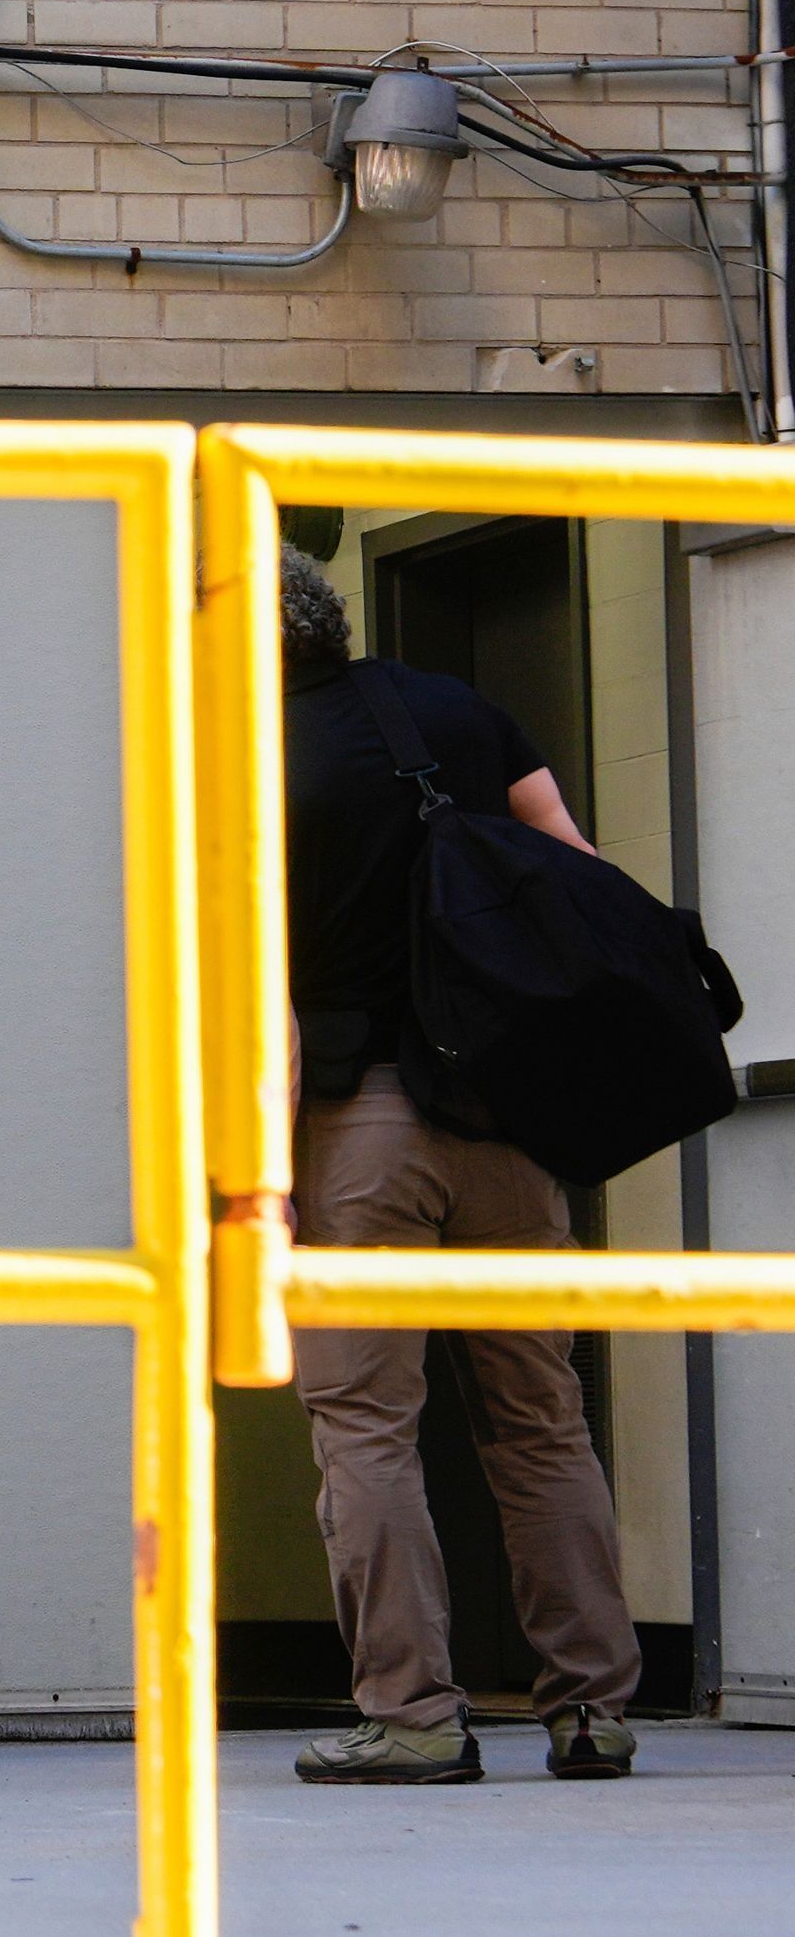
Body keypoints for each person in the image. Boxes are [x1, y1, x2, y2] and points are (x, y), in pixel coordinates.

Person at [280, 544, 639, 1787]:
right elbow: (581, 878)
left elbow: (255, 996)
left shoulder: (244, 762)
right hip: (507, 1121)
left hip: (359, 1122)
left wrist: (261, 1183)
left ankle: (415, 1716)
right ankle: (592, 1709)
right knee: (542, 1420)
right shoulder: (460, 710)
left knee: (366, 1426)